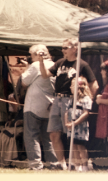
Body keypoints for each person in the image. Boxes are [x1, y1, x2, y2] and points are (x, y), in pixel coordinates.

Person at [39, 38, 97, 170]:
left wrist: (86, 101)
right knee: (53, 133)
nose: (63, 50)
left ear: (74, 48)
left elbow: (94, 84)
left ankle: (78, 164)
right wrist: (41, 61)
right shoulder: (60, 62)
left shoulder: (82, 65)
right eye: (62, 48)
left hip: (71, 100)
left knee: (72, 135)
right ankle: (62, 164)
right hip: (57, 99)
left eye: (65, 48)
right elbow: (44, 75)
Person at [20, 44, 58, 170]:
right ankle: (53, 163)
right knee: (48, 138)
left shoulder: (36, 65)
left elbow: (24, 82)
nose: (30, 57)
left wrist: (27, 68)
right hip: (49, 105)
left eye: (31, 55)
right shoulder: (54, 65)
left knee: (31, 135)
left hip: (34, 105)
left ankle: (35, 165)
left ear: (37, 54)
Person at [65, 76, 93, 171]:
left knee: (81, 146)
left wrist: (75, 123)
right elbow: (66, 111)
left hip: (80, 127)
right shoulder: (72, 99)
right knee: (74, 146)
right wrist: (67, 122)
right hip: (71, 127)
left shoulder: (86, 99)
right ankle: (77, 165)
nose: (70, 88)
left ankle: (84, 165)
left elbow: (86, 113)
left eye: (72, 86)